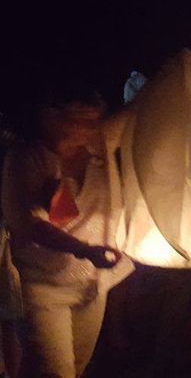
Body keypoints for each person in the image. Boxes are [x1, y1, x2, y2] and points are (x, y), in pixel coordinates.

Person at [1, 89, 133, 378]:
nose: (92, 128)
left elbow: (136, 112)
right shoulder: (26, 160)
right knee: (55, 372)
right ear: (51, 118)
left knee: (75, 368)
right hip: (43, 288)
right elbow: (29, 224)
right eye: (82, 121)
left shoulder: (99, 148)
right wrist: (85, 249)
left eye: (96, 120)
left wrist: (176, 70)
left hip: (90, 285)